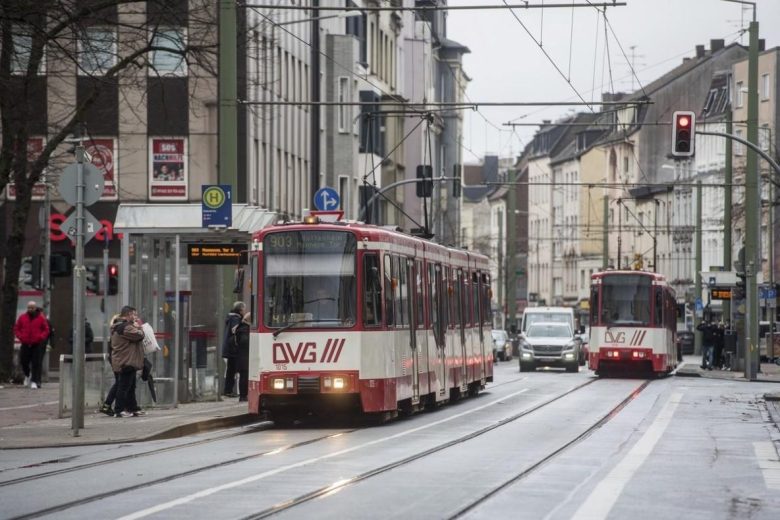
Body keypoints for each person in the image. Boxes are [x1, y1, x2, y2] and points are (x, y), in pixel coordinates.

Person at [111, 306, 145, 417]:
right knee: (124, 387)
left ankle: (132, 408)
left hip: (127, 360)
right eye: (134, 315)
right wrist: (140, 327)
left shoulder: (123, 326)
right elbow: (139, 336)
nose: (136, 317)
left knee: (130, 387)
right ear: (129, 314)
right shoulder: (126, 327)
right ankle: (119, 410)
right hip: (125, 361)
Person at [14, 301, 50, 389]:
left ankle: (34, 381)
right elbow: (16, 328)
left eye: (32, 308)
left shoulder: (41, 318)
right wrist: (20, 337)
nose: (30, 309)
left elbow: (46, 329)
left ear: (35, 308)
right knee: (24, 361)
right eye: (29, 307)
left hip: (36, 344)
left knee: (35, 363)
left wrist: (40, 337)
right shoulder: (22, 317)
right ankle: (27, 374)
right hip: (25, 343)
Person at [222, 301, 245, 397]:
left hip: (229, 347)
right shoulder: (236, 318)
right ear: (240, 309)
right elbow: (235, 330)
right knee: (234, 369)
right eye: (244, 309)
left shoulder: (230, 317)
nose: (244, 311)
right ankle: (229, 390)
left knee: (231, 370)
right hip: (233, 348)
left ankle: (228, 390)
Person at [235, 312, 251, 402]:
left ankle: (244, 395)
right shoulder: (244, 329)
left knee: (244, 377)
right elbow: (245, 342)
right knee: (244, 377)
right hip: (244, 357)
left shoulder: (240, 328)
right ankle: (243, 396)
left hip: (243, 357)